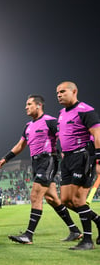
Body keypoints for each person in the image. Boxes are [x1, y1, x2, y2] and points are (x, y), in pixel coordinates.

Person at [0, 94, 82, 245]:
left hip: (48, 160)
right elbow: (20, 145)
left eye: (29, 104)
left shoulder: (50, 121)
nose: (26, 107)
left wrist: (67, 154)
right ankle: (75, 229)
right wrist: (6, 158)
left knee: (35, 196)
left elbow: (62, 137)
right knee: (52, 199)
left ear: (38, 105)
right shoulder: (27, 126)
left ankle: (28, 235)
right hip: (35, 163)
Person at [55, 81, 100, 250]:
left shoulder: (86, 110)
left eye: (62, 91)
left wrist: (98, 160)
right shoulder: (61, 113)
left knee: (78, 199)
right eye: (57, 92)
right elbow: (64, 134)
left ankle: (88, 241)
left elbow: (97, 135)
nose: (59, 95)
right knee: (66, 200)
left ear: (74, 91)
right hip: (67, 159)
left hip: (82, 157)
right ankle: (98, 220)